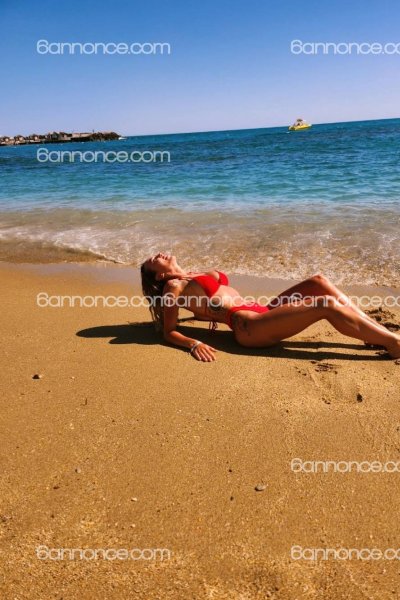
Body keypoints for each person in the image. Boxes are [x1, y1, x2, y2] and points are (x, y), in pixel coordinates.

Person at [140, 253, 400, 362]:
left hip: (262, 311)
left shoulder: (191, 276)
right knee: (325, 304)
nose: (159, 254)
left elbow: (204, 306)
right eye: (154, 259)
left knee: (318, 282)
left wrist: (201, 316)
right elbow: (169, 331)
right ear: (160, 276)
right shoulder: (173, 286)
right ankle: (393, 343)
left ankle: (373, 329)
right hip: (250, 327)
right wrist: (193, 344)